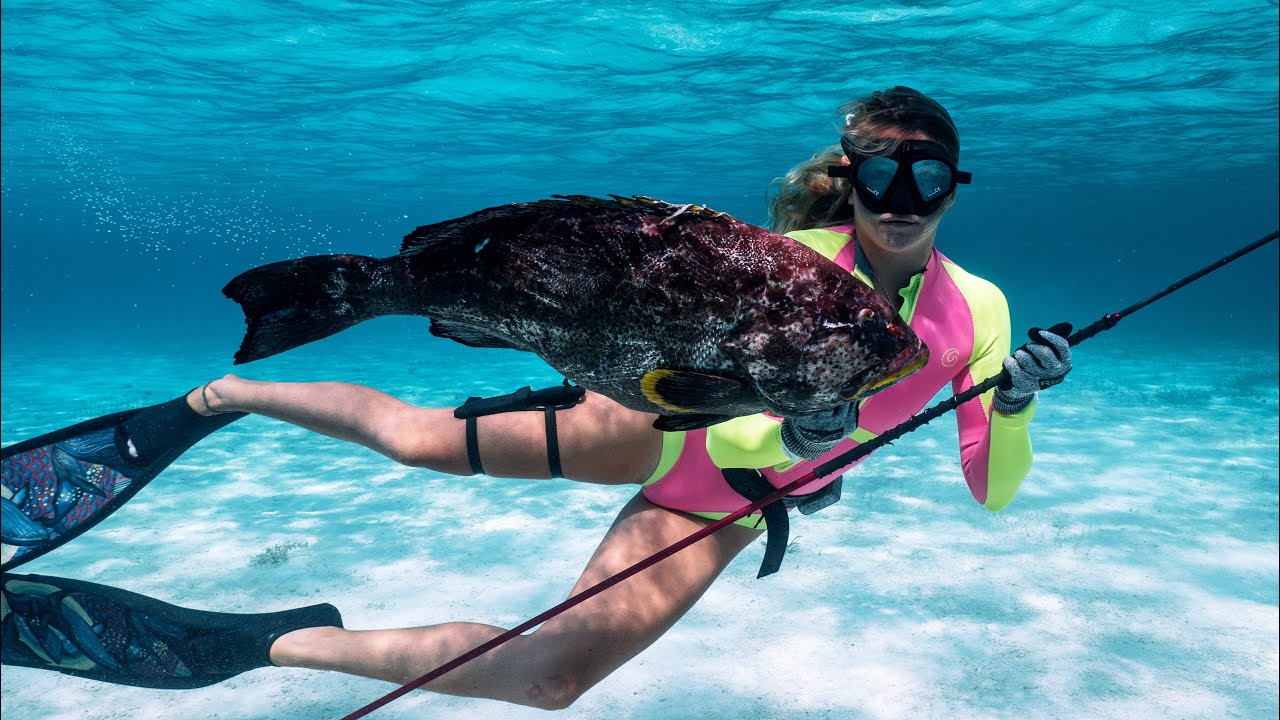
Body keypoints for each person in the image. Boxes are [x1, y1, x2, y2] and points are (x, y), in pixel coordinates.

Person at [1, 86, 1071, 709]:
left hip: (718, 502)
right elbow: (668, 359)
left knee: (553, 677)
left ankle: (259, 645)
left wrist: (1013, 407)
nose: (899, 203)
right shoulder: (790, 261)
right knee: (417, 441)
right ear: (849, 179)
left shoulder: (974, 310)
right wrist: (784, 418)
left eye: (924, 181)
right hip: (637, 417)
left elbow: (988, 491)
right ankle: (228, 395)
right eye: (879, 178)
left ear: (950, 189)